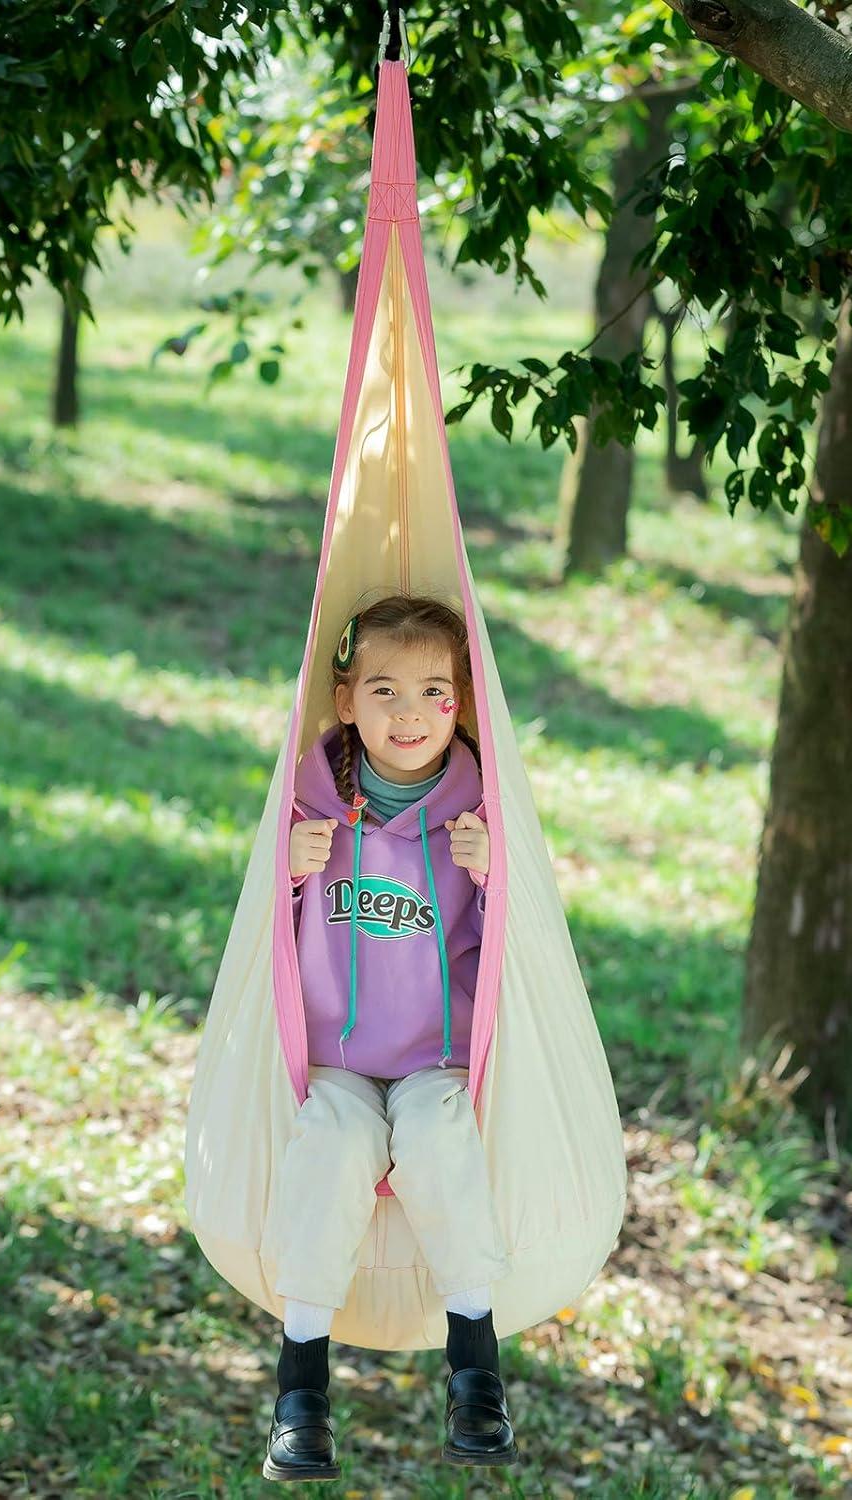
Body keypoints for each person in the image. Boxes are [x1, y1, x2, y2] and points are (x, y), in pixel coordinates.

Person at [262, 593, 518, 1481]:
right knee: (329, 1148)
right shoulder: (306, 800)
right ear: (345, 701)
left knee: (443, 1137)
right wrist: (288, 877)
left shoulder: (482, 811)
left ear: (461, 702)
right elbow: (258, 937)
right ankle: (300, 1392)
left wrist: (492, 877)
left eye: (433, 693)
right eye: (384, 691)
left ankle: (476, 1373)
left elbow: (523, 951)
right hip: (332, 1058)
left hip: (435, 1057)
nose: (410, 714)